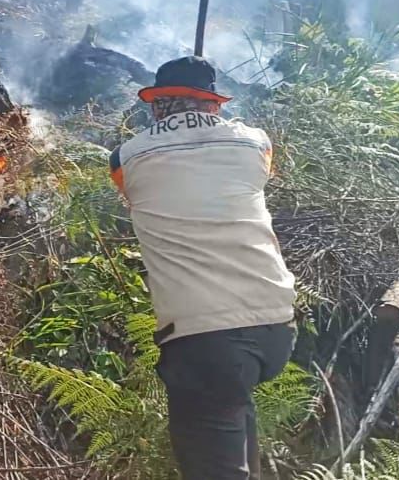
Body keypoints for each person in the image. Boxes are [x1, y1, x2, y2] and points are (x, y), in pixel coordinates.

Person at [109, 56, 297, 479]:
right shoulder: (254, 143)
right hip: (275, 326)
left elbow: (131, 191)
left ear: (157, 106)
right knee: (233, 424)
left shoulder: (127, 157)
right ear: (214, 104)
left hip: (205, 338)